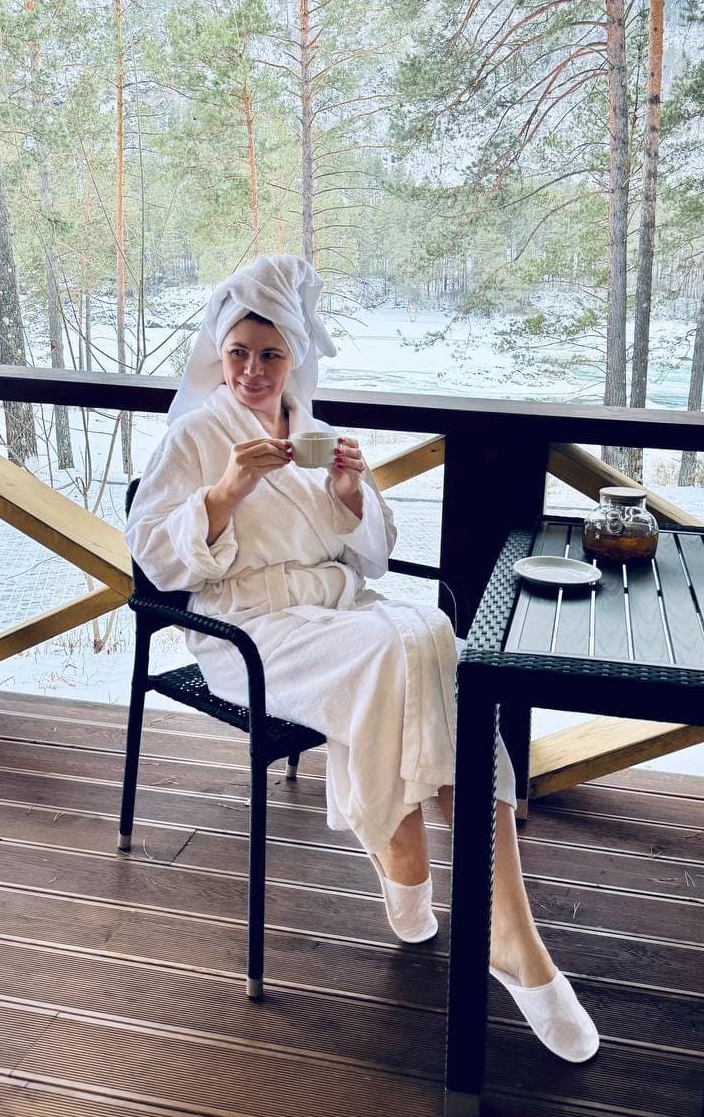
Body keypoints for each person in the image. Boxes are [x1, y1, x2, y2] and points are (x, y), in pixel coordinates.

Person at [125, 253, 598, 1062]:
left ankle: (440, 880)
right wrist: (225, 492)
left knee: (439, 642)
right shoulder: (196, 434)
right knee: (399, 651)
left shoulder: (312, 433)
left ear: (295, 358)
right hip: (250, 631)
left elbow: (372, 554)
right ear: (217, 351)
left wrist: (352, 500)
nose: (251, 371)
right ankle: (470, 906)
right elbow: (154, 559)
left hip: (337, 611)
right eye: (237, 353)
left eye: (270, 355)